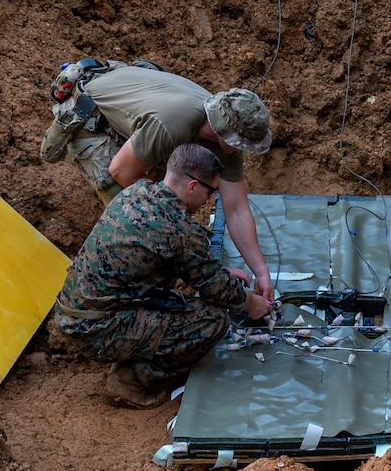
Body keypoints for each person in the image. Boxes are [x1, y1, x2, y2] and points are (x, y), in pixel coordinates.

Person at [39, 58, 276, 307]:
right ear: (224, 132)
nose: (245, 150)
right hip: (94, 121)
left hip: (138, 119)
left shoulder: (226, 136)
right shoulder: (172, 124)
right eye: (244, 144)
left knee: (168, 209)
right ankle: (127, 297)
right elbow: (121, 171)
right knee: (142, 219)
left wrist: (261, 271)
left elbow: (236, 207)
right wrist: (197, 257)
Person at [49, 143, 273, 407]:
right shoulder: (177, 228)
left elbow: (167, 258)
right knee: (211, 321)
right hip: (96, 327)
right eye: (210, 192)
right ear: (192, 187)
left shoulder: (137, 191)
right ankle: (129, 381)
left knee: (178, 295)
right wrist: (251, 304)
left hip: (75, 311)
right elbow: (216, 289)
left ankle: (132, 349)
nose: (208, 200)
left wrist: (216, 271)